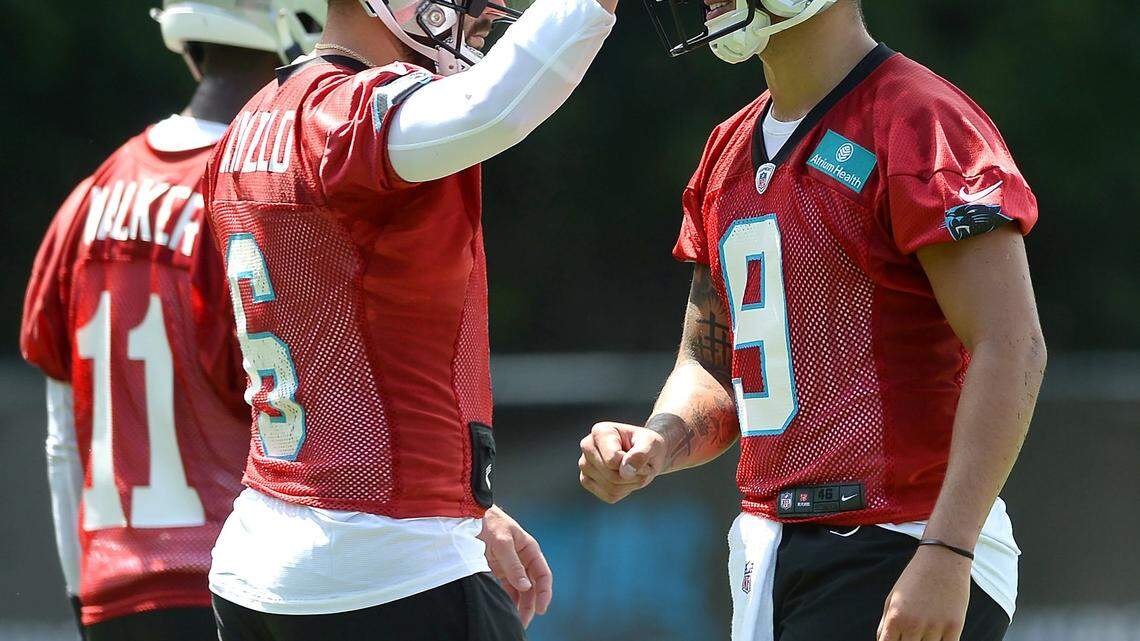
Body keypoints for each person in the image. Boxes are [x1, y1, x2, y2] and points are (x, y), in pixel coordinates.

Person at [579, 1, 1046, 640]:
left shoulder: (920, 120)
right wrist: (658, 441)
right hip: (769, 547)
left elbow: (1011, 344)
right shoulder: (728, 149)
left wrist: (948, 549)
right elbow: (715, 363)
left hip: (900, 534)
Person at [202, 0, 617, 638]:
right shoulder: (342, 116)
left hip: (261, 560)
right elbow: (494, 104)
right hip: (382, 564)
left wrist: (466, 508)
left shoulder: (250, 121)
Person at [18, 1, 327, 638]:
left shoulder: (88, 196)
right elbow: (308, 424)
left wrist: (82, 596)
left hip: (111, 594)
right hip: (240, 585)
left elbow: (61, 441)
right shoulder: (249, 197)